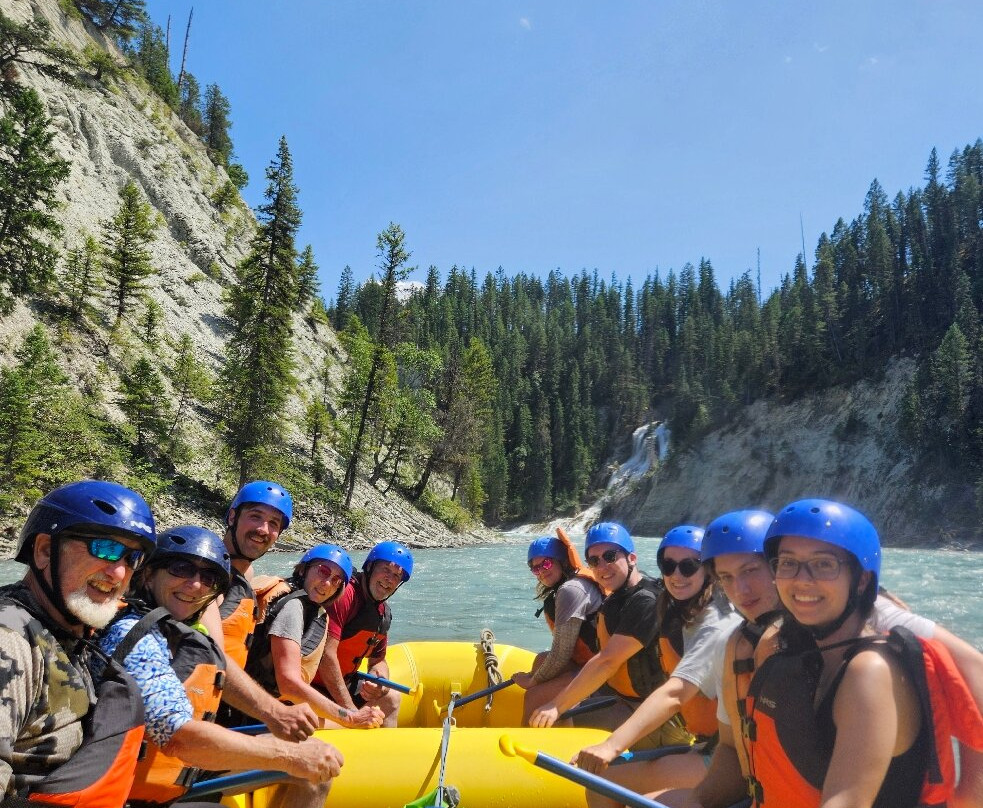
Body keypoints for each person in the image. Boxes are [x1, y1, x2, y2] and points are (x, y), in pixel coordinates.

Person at [740, 499, 983, 808]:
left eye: (824, 564)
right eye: (788, 562)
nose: (801, 579)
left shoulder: (869, 671)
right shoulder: (804, 654)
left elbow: (846, 801)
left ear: (861, 580)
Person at [95, 525, 343, 808]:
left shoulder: (184, 628)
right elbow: (179, 739)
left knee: (314, 778)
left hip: (179, 771)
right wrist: (287, 754)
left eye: (209, 578)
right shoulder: (137, 636)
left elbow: (218, 672)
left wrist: (276, 714)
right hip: (132, 791)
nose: (195, 585)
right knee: (303, 770)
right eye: (180, 568)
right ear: (149, 575)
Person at [0, 480, 155, 805]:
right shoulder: (9, 638)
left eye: (132, 558)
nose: (117, 572)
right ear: (44, 550)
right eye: (105, 548)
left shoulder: (67, 631)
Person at [573, 524, 741, 804]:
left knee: (602, 781)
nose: (676, 575)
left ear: (709, 569)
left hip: (730, 760)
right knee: (604, 780)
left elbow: (675, 692)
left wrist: (612, 745)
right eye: (668, 565)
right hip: (712, 744)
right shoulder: (681, 609)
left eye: (689, 566)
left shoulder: (718, 620)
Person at [529, 522, 691, 749]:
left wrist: (556, 706)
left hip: (656, 717)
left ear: (632, 558)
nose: (602, 566)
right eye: (594, 561)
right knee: (555, 708)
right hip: (622, 698)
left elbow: (607, 661)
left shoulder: (646, 601)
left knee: (559, 716)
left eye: (610, 556)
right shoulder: (618, 597)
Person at [201, 480, 320, 741]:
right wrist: (275, 712)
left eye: (274, 524)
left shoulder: (246, 574)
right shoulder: (204, 575)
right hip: (197, 720)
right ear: (232, 516)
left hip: (225, 712)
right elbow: (212, 659)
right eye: (255, 517)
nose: (263, 529)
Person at [246, 544, 384, 730]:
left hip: (271, 703)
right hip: (260, 712)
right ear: (304, 569)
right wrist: (349, 717)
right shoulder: (293, 608)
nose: (327, 583)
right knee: (348, 729)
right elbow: (289, 684)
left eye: (336, 580)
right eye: (323, 571)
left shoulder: (309, 608)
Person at [315, 540, 413, 728]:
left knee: (391, 698)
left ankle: (383, 755)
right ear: (369, 567)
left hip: (343, 683)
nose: (389, 579)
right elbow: (326, 656)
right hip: (312, 685)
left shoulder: (383, 614)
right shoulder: (344, 595)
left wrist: (380, 680)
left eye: (396, 576)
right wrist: (351, 711)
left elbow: (378, 660)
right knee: (343, 722)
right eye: (385, 569)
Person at [513, 530, 603, 725]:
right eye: (535, 568)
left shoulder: (571, 590)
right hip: (590, 663)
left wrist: (532, 681)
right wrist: (538, 674)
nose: (541, 571)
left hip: (604, 670)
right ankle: (557, 730)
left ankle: (525, 745)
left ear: (561, 561)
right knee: (540, 661)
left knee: (534, 696)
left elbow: (561, 653)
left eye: (546, 563)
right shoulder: (566, 586)